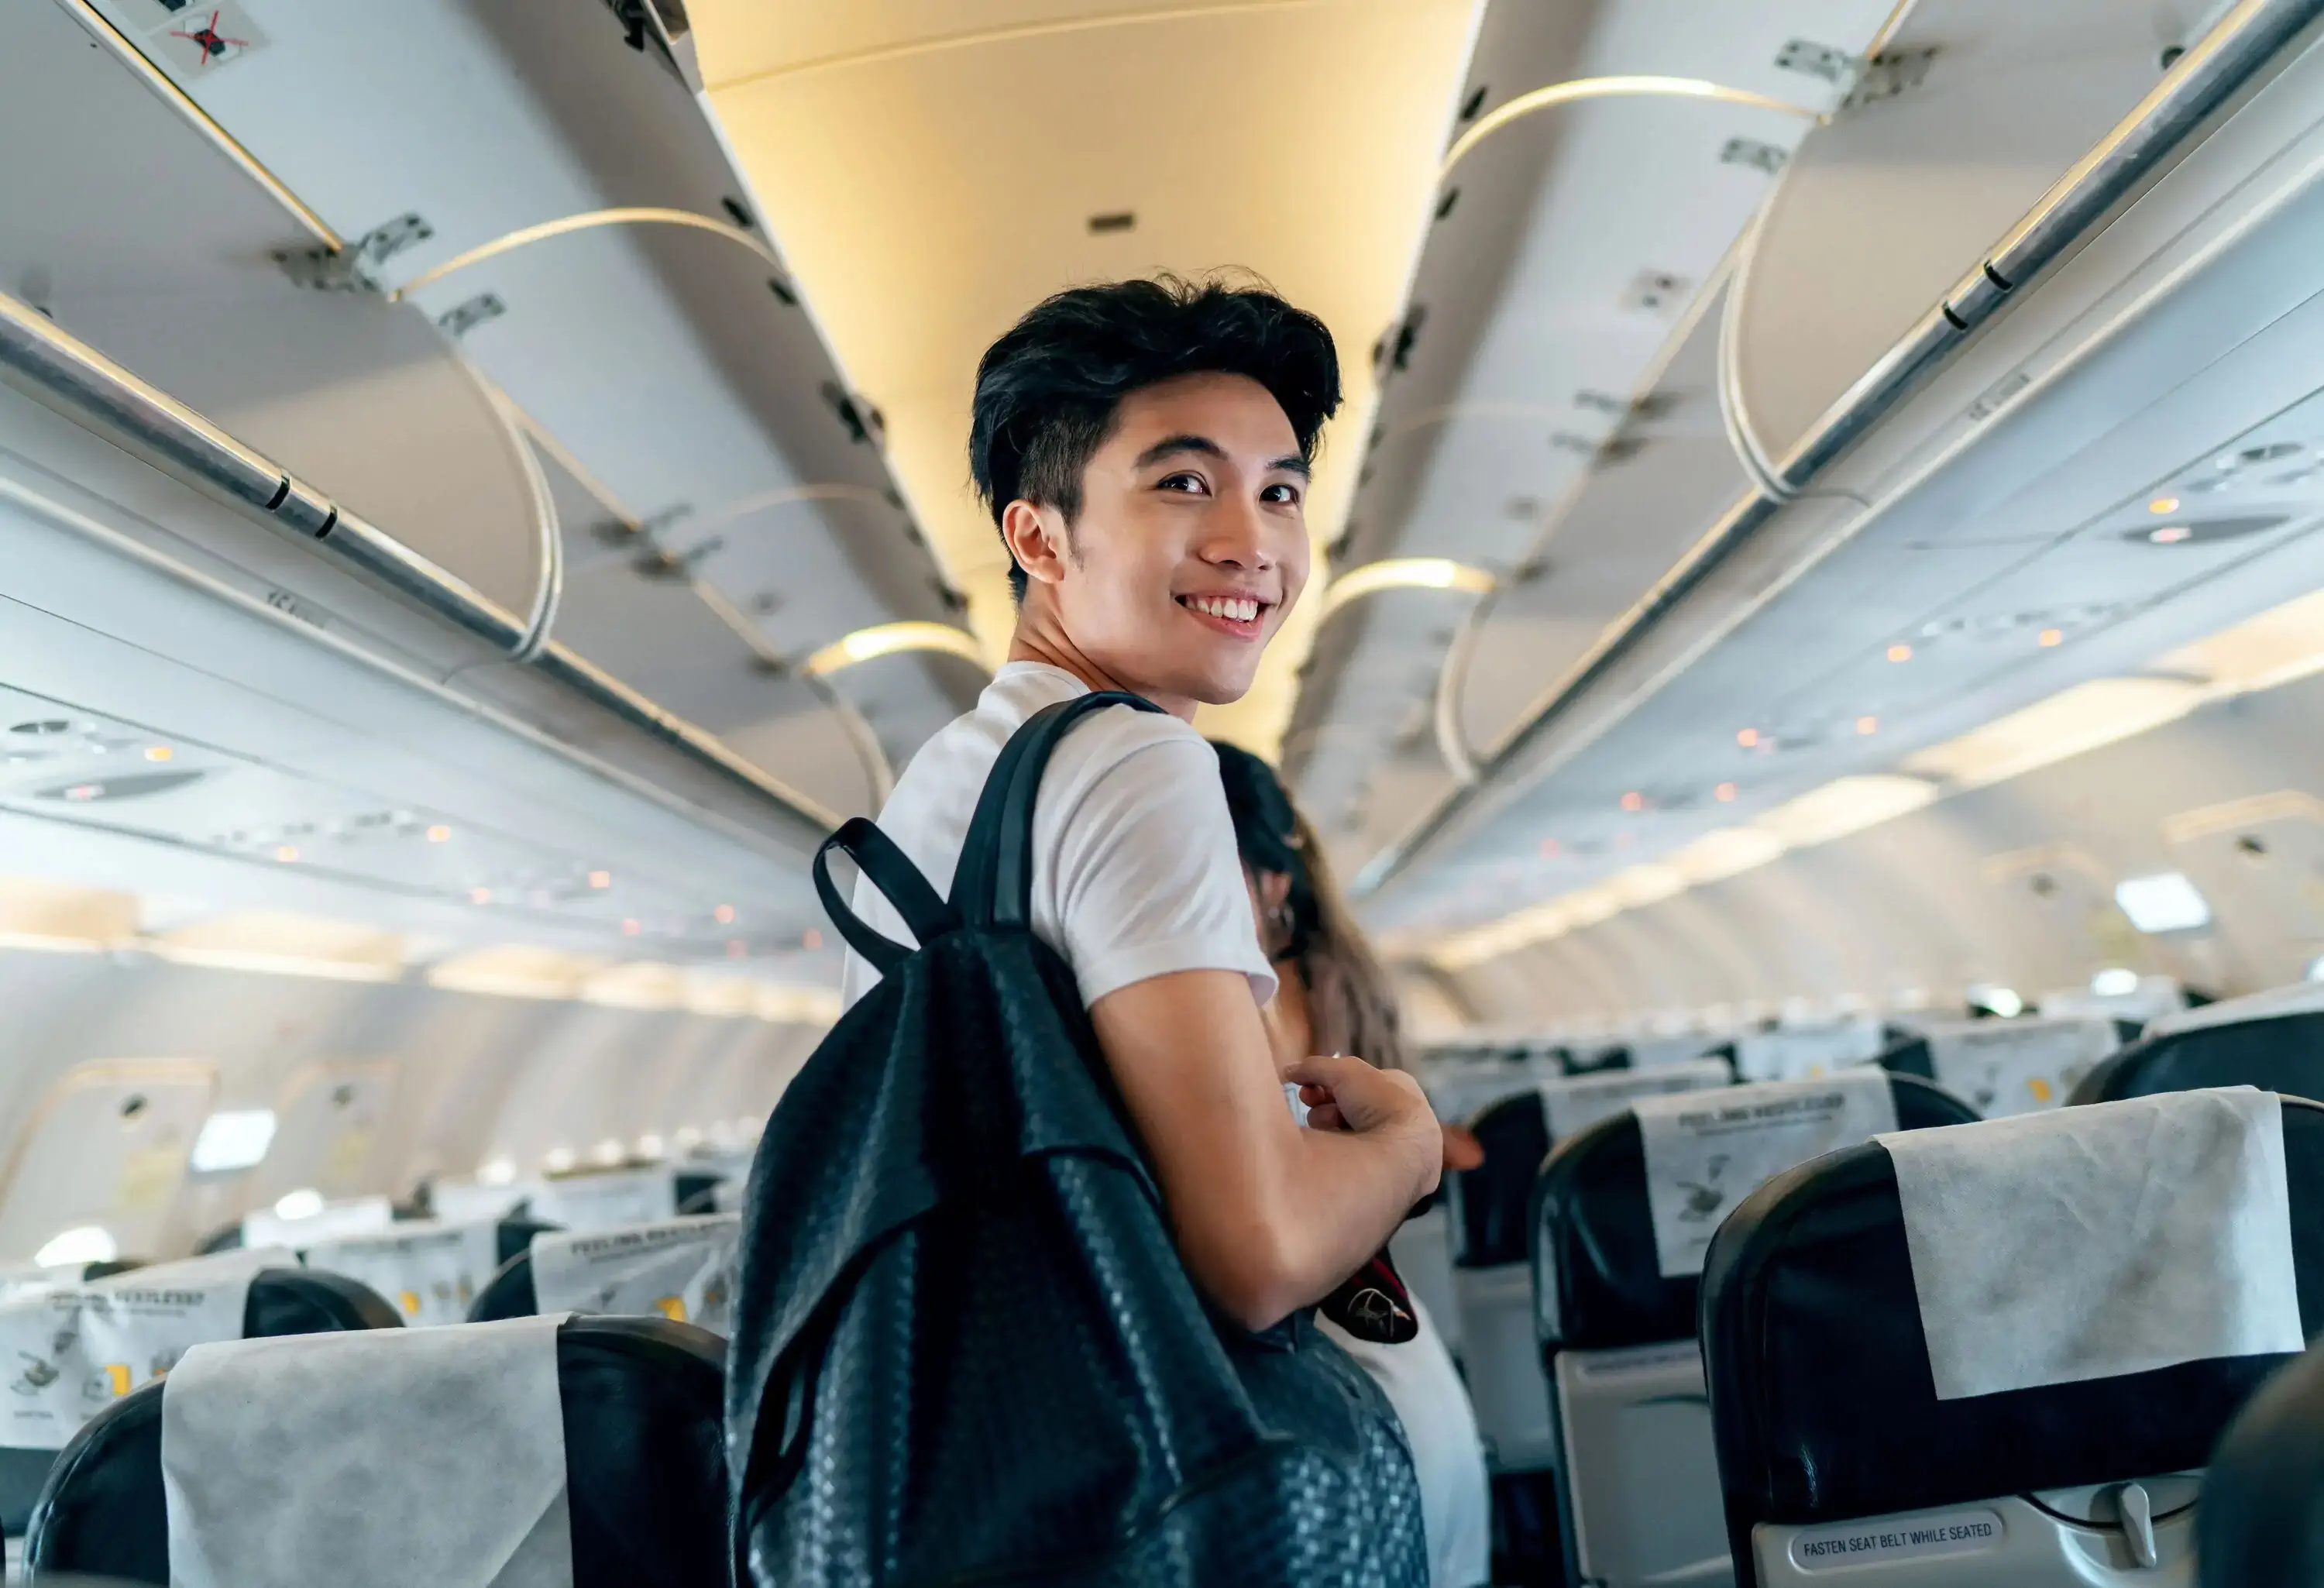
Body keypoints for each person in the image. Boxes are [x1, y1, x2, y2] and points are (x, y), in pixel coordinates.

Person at [838, 276, 1444, 1342]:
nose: (1250, 541)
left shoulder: (946, 775)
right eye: (1181, 483)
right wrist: (1407, 1146)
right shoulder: (1133, 761)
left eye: (1281, 493)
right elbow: (1256, 1257)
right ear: (1040, 540)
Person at [1213, 740, 1494, 1588]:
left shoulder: (1247, 999)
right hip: (1397, 1340)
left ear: (1268, 882)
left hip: (1337, 1365)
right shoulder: (1341, 975)